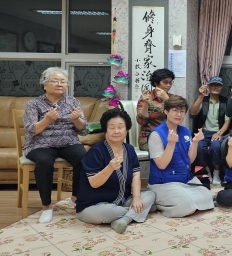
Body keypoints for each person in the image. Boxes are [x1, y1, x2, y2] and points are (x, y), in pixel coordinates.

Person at [23, 67, 88, 224]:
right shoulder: (34, 104)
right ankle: (46, 206)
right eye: (55, 81)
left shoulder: (73, 102)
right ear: (45, 85)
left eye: (63, 81)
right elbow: (32, 130)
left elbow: (83, 129)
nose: (60, 84)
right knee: (44, 161)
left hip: (68, 142)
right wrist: (47, 119)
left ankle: (75, 198)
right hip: (40, 144)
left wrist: (76, 119)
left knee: (84, 158)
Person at [76, 109, 156, 233]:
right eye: (112, 128)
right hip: (94, 205)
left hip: (123, 201)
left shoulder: (129, 149)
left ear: (126, 129)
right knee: (108, 212)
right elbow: (94, 183)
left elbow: (136, 175)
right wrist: (110, 168)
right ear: (106, 130)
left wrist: (136, 198)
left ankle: (124, 219)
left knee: (150, 195)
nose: (116, 131)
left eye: (120, 127)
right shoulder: (96, 151)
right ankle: (138, 212)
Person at [148, 96, 214, 217]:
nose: (179, 114)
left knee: (208, 197)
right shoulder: (156, 134)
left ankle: (172, 200)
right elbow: (161, 165)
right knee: (187, 205)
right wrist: (171, 144)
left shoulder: (185, 131)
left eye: (182, 111)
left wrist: (195, 142)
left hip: (185, 180)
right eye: (175, 110)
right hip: (163, 183)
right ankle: (158, 202)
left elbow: (189, 161)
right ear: (166, 111)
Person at [190, 76, 230, 186]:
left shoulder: (225, 101)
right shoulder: (203, 100)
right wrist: (201, 96)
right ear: (208, 86)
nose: (215, 87)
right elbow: (192, 112)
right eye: (213, 85)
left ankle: (216, 172)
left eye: (218, 85)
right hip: (203, 132)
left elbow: (227, 121)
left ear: (222, 87)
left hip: (218, 132)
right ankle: (206, 170)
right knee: (199, 147)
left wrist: (219, 133)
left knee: (216, 146)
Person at [137, 68, 175, 150]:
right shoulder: (147, 96)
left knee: (181, 146)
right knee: (170, 148)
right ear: (156, 82)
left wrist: (167, 100)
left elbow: (177, 117)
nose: (168, 85)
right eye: (165, 82)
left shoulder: (172, 98)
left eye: (170, 82)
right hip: (149, 136)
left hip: (168, 135)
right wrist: (146, 103)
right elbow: (141, 121)